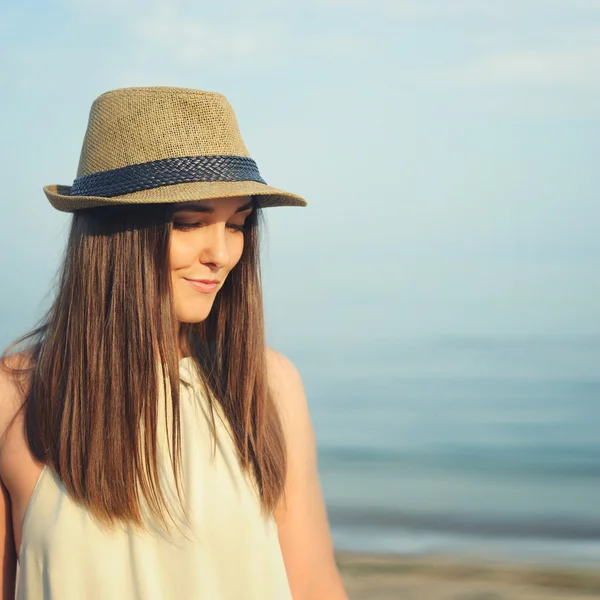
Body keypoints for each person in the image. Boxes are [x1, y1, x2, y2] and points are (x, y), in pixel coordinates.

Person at [0, 86, 348, 599]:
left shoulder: (267, 386)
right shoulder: (17, 397)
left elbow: (315, 586)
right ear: (116, 235)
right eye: (189, 223)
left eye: (237, 224)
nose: (222, 253)